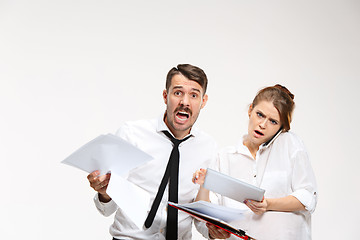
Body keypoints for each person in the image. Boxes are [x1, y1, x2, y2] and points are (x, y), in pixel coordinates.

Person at [87, 64, 217, 239]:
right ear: (165, 96)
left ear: (204, 101)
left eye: (194, 95)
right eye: (178, 93)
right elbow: (106, 209)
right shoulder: (131, 134)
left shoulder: (208, 147)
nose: (185, 102)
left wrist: (214, 230)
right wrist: (103, 192)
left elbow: (201, 216)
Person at [193, 85, 318, 240]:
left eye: (273, 121)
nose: (263, 125)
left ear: (281, 127)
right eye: (260, 115)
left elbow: (307, 198)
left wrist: (268, 204)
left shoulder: (290, 144)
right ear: (250, 110)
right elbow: (203, 216)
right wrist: (205, 185)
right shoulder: (224, 157)